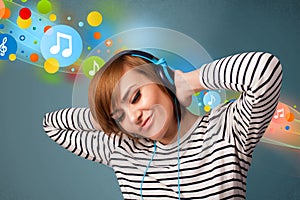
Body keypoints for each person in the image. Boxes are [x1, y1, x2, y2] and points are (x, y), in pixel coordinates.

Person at [43, 50, 282, 199]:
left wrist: (189, 81)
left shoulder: (227, 129)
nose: (134, 116)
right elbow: (53, 125)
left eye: (136, 97)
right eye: (121, 115)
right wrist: (107, 115)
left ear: (162, 79)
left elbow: (265, 70)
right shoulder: (123, 150)